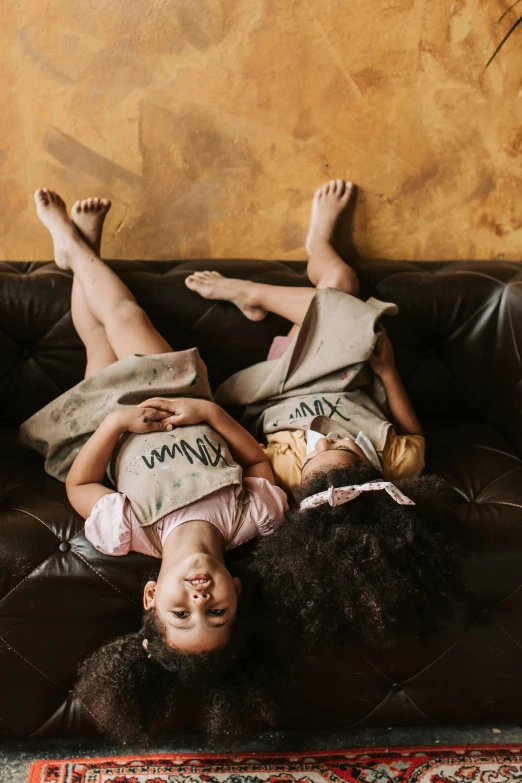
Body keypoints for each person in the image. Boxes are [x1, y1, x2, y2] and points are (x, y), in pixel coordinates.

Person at [20, 189, 287, 743]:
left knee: (95, 336)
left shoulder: (128, 532)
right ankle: (71, 242)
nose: (199, 603)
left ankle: (79, 247)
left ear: (150, 596)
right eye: (217, 614)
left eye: (180, 615)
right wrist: (209, 412)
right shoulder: (253, 519)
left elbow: (81, 483)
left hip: (110, 418)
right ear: (235, 590)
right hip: (174, 392)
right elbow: (258, 459)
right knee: (123, 314)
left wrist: (116, 426)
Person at [183, 179, 462, 649]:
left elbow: (240, 448)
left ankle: (265, 282)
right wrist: (389, 372)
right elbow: (413, 434)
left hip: (282, 380)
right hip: (343, 374)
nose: (328, 440)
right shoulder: (397, 464)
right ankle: (313, 254)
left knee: (341, 290)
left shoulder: (282, 477)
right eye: (345, 446)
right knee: (343, 286)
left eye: (319, 452)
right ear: (372, 472)